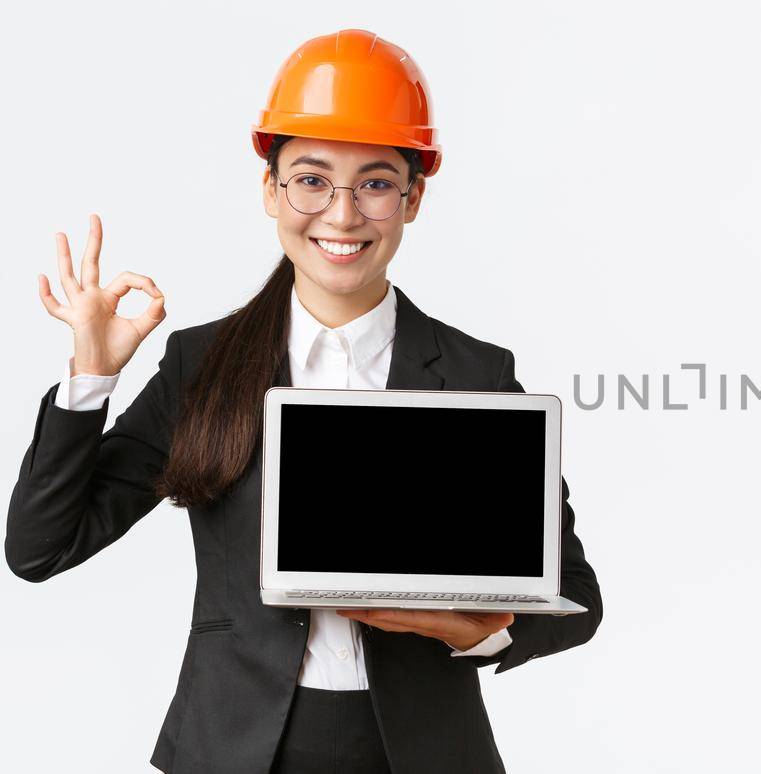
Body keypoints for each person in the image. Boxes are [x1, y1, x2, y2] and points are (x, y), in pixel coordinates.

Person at [3, 29, 602, 774]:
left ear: (413, 199)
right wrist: (89, 377)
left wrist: (471, 631)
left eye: (377, 183)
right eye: (312, 180)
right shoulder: (203, 367)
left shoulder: (477, 373)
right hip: (233, 749)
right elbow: (38, 548)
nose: (343, 215)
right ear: (271, 190)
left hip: (421, 752)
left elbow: (575, 598)